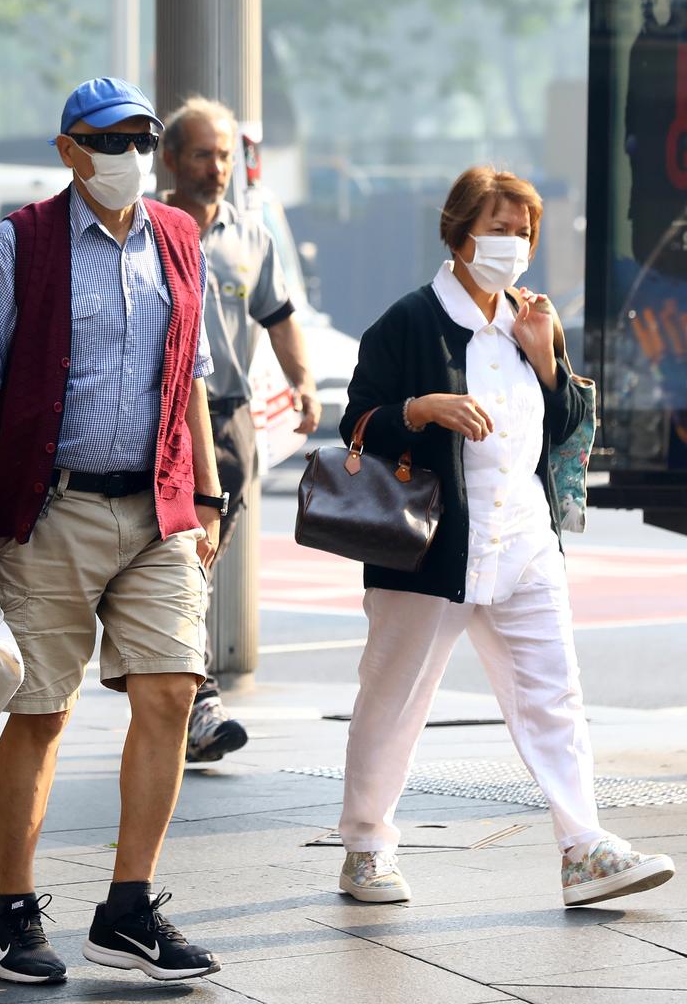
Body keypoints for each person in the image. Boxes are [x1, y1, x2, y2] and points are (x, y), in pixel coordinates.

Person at [0, 77, 223, 984]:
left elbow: (192, 382)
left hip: (159, 510)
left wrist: (209, 498)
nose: (130, 156)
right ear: (68, 149)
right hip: (50, 508)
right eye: (110, 140)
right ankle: (12, 912)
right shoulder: (18, 242)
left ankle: (129, 907)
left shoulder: (180, 240)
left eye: (142, 138)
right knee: (42, 711)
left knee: (174, 692)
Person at [335, 166, 676, 907]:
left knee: (556, 696)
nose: (513, 245)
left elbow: (561, 434)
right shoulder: (410, 321)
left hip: (523, 540)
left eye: (523, 232)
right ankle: (366, 846)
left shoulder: (533, 318)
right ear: (459, 232)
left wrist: (550, 362)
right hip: (428, 549)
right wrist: (421, 408)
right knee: (395, 699)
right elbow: (357, 422)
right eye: (498, 229)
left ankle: (583, 846)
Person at [161, 96, 321, 762]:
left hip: (229, 425)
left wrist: (302, 382)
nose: (217, 166)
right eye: (203, 153)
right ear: (171, 159)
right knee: (174, 565)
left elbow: (280, 316)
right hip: (159, 425)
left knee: (196, 565)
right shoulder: (146, 228)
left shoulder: (249, 237)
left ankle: (183, 697)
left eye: (225, 154)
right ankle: (193, 702)